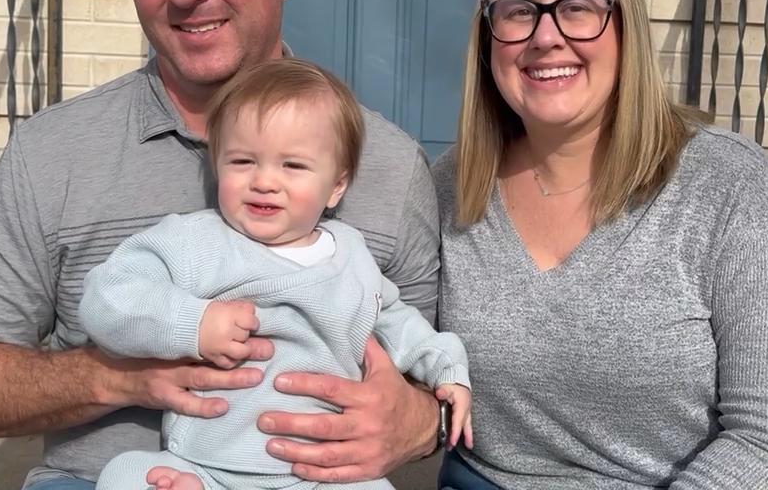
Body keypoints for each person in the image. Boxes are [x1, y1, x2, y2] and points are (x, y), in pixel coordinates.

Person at [0, 0, 447, 490]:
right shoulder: (56, 151)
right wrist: (115, 376)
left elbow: (426, 383)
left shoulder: (389, 166)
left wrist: (420, 422)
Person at [430, 0, 768, 490]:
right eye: (518, 11)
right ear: (489, 34)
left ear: (626, 27)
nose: (545, 36)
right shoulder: (452, 185)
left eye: (577, 8)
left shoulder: (726, 187)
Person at [80, 58, 473, 490]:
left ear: (336, 185)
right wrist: (192, 323)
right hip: (205, 467)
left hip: (320, 476)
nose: (265, 181)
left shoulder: (352, 258)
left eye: (293, 166)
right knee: (127, 474)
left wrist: (446, 368)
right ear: (217, 165)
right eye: (243, 161)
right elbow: (107, 296)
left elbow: (399, 323)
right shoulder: (196, 242)